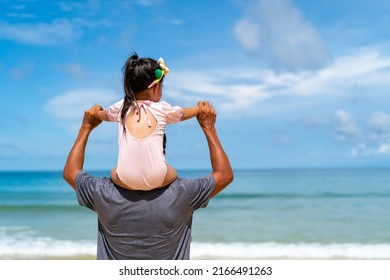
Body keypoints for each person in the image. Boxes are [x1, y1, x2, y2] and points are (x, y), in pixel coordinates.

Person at [63, 101, 233, 260]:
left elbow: (71, 172)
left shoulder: (104, 193)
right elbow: (224, 175)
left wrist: (86, 127)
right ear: (161, 152)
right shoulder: (182, 193)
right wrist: (208, 127)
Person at [96, 53, 199, 191]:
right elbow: (183, 114)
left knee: (113, 172)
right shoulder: (162, 109)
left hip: (127, 179)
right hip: (157, 177)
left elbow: (105, 115)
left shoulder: (121, 108)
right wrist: (199, 108)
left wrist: (96, 112)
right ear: (155, 88)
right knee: (173, 173)